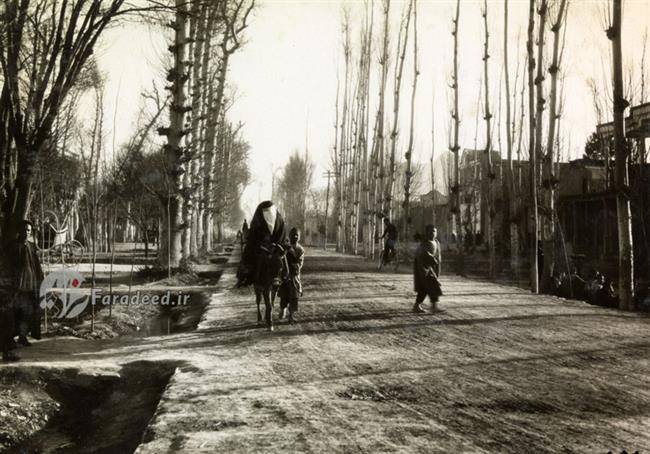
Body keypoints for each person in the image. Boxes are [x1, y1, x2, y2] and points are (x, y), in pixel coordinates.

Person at [237, 202, 287, 287]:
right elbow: (254, 235)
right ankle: (245, 276)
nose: (269, 215)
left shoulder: (279, 220)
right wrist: (261, 244)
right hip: (260, 247)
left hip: (277, 247)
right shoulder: (258, 220)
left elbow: (282, 234)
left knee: (285, 259)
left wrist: (276, 244)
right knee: (249, 255)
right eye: (266, 212)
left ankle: (286, 278)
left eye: (270, 211)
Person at [12, 220, 44, 346]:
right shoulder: (14, 246)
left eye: (28, 230)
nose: (26, 232)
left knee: (28, 312)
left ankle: (23, 336)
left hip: (30, 286)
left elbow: (36, 265)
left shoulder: (31, 246)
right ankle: (9, 338)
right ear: (19, 231)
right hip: (17, 287)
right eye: (24, 230)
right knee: (15, 312)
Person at [413, 224, 442, 313]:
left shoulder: (436, 242)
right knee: (429, 287)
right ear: (427, 233)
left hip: (432, 268)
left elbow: (438, 255)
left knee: (427, 288)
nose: (433, 233)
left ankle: (418, 305)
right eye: (431, 231)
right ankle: (432, 306)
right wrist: (430, 259)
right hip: (424, 269)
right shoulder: (424, 244)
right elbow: (421, 254)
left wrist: (436, 264)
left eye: (434, 231)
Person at [279, 227, 305, 323]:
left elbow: (299, 263)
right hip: (285, 275)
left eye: (297, 235)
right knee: (284, 295)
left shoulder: (300, 250)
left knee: (294, 296)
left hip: (294, 276)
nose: (295, 237)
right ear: (289, 236)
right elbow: (280, 259)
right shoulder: (284, 247)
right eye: (293, 235)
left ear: (299, 237)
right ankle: (283, 309)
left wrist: (295, 266)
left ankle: (291, 315)